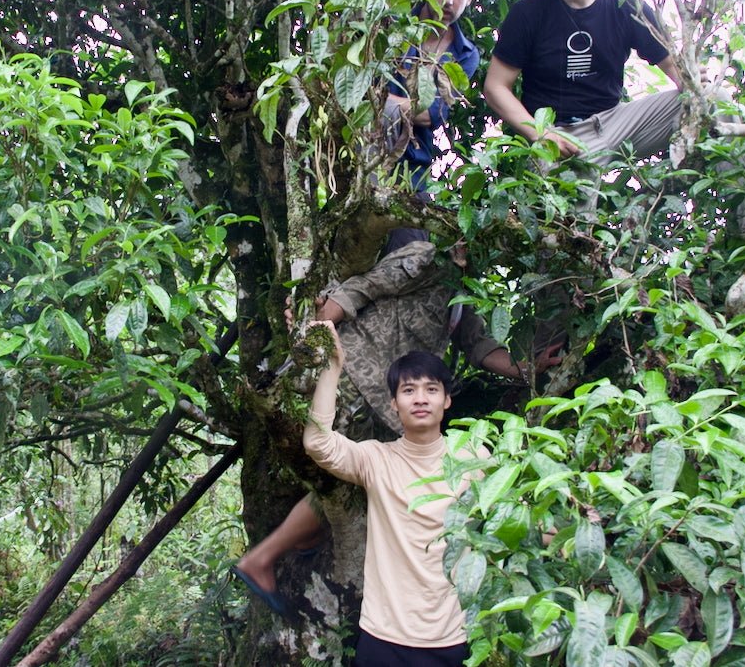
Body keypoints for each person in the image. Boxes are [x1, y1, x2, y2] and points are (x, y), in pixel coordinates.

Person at [231, 238, 557, 616]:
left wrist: (525, 370)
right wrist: (318, 326)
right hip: (357, 372)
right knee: (342, 480)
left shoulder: (464, 289)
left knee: (357, 487)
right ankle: (263, 558)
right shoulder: (430, 256)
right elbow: (365, 286)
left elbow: (477, 345)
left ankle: (296, 542)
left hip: (391, 400)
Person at [482, 0, 745, 229]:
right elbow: (495, 87)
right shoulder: (529, 14)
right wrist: (540, 134)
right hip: (559, 135)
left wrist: (693, 81)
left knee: (713, 99)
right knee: (567, 236)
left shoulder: (626, 8)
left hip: (615, 124)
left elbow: (680, 77)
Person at [303, 322, 477, 664]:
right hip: (383, 638)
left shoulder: (475, 458)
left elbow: (520, 514)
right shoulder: (377, 459)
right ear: (394, 404)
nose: (421, 399)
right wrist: (332, 368)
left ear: (447, 399)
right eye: (409, 390)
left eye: (431, 389)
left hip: (452, 637)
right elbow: (318, 443)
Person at [386, 0, 480, 191]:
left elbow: (431, 114)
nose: (448, 0)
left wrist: (384, 103)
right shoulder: (394, 26)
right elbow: (362, 95)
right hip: (363, 157)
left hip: (413, 172)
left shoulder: (466, 54)